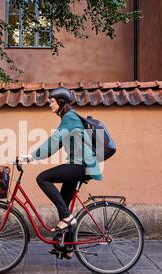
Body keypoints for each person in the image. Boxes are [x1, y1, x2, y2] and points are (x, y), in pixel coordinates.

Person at [20, 88, 103, 259]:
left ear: (61, 102)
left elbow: (53, 141)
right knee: (64, 204)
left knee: (43, 178)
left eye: (51, 101)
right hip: (79, 165)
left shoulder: (69, 117)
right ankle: (67, 247)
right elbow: (57, 144)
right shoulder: (68, 118)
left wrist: (31, 156)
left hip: (81, 165)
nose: (49, 104)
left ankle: (67, 220)